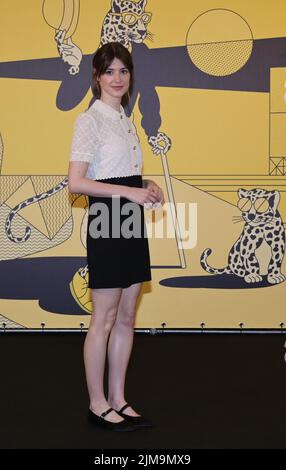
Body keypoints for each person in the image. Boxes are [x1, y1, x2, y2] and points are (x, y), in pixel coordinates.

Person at [68, 42, 164, 432]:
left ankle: (118, 399)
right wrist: (130, 192)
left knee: (127, 315)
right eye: (110, 71)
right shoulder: (89, 120)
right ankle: (97, 404)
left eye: (124, 70)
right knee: (104, 317)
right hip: (108, 220)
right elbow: (76, 182)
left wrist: (145, 183)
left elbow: (116, 173)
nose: (118, 78)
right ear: (97, 77)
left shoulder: (126, 117)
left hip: (130, 219)